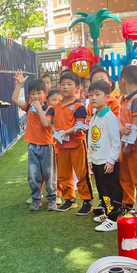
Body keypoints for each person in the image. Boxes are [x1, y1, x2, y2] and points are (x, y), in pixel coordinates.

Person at [12, 71, 57, 211]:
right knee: (33, 175)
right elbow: (14, 99)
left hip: (47, 147)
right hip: (32, 147)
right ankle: (36, 199)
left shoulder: (49, 109)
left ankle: (52, 200)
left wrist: (39, 109)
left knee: (49, 174)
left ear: (45, 93)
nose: (36, 96)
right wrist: (19, 84)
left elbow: (45, 124)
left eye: (39, 93)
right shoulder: (29, 107)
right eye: (32, 94)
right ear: (29, 96)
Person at [52, 70, 94, 214]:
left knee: (82, 173)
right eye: (62, 84)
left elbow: (80, 125)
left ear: (77, 89)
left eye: (69, 84)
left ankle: (87, 201)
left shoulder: (78, 106)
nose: (65, 87)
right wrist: (54, 130)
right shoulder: (56, 106)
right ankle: (70, 199)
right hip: (61, 145)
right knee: (63, 174)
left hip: (76, 144)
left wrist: (65, 132)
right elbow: (51, 122)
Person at [87, 80, 123, 232]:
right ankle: (108, 213)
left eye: (97, 94)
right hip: (96, 160)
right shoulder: (95, 115)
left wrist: (111, 160)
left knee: (110, 190)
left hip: (107, 162)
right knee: (102, 190)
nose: (93, 98)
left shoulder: (110, 117)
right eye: (90, 95)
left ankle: (114, 217)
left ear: (107, 97)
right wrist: (90, 158)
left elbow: (116, 142)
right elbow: (91, 138)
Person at [117, 65, 137, 223]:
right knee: (125, 178)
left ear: (123, 80)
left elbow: (135, 126)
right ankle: (128, 206)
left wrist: (129, 145)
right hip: (126, 147)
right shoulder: (125, 99)